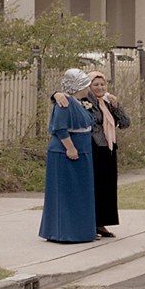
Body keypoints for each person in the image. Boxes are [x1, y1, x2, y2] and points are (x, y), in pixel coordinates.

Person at [38, 70, 98, 244]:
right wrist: (70, 148)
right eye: (87, 84)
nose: (89, 87)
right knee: (66, 192)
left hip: (83, 150)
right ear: (79, 86)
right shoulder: (64, 103)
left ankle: (80, 231)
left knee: (81, 192)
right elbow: (60, 127)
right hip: (67, 152)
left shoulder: (80, 102)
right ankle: (63, 232)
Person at [77, 72, 129, 237]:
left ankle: (102, 223)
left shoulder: (107, 102)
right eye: (95, 85)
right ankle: (90, 223)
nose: (100, 88)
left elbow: (125, 123)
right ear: (89, 87)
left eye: (102, 84)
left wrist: (116, 106)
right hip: (93, 148)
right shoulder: (84, 102)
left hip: (109, 147)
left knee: (107, 188)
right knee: (95, 187)